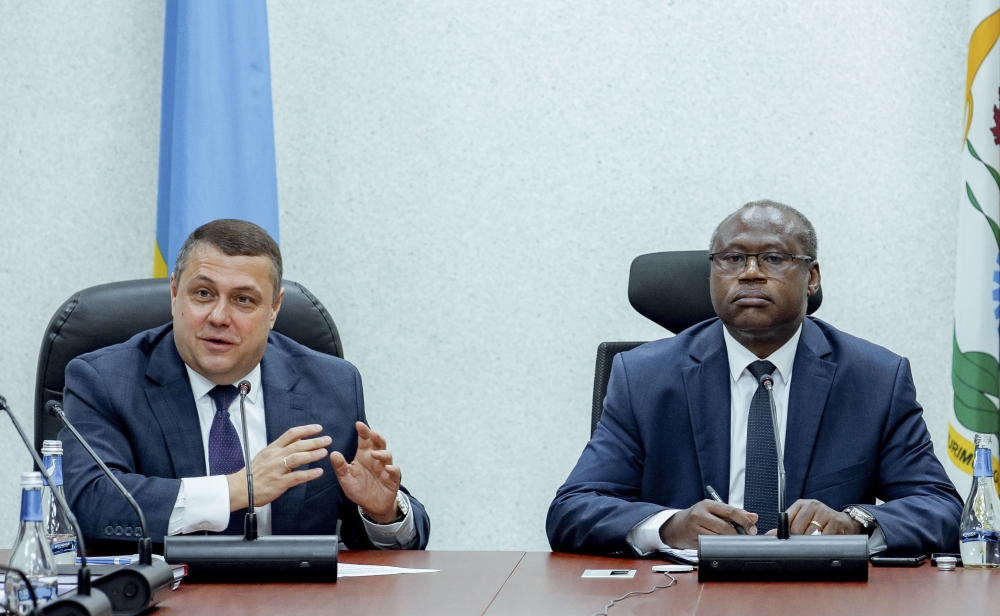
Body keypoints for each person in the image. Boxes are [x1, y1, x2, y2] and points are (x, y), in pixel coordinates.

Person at [546, 200, 962, 556]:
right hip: (682, 597)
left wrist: (854, 523)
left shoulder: (873, 379)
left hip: (822, 599)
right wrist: (670, 526)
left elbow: (942, 509)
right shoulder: (644, 377)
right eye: (732, 258)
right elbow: (573, 509)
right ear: (712, 274)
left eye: (774, 259)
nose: (750, 273)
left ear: (812, 277)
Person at [62, 219, 430, 549]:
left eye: (243, 299)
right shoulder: (105, 381)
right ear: (174, 294)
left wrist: (383, 513)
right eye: (203, 294)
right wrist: (236, 490)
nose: (219, 317)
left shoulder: (330, 384)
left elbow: (370, 536)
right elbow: (90, 503)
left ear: (274, 309)